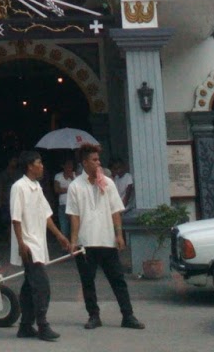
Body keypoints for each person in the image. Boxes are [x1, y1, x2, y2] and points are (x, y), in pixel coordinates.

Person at [68, 146, 144, 330]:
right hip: (86, 242)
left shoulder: (108, 183)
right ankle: (94, 316)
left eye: (98, 159)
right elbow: (74, 216)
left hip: (107, 240)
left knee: (118, 280)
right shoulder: (75, 186)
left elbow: (115, 211)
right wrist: (73, 241)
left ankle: (128, 315)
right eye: (94, 160)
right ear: (85, 163)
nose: (98, 163)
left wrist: (119, 234)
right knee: (88, 281)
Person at [10, 149, 72, 341]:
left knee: (30, 286)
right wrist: (21, 243)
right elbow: (16, 218)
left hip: (38, 242)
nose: (42, 166)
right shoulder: (19, 187)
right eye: (39, 163)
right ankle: (42, 324)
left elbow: (47, 216)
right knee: (41, 285)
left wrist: (60, 236)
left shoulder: (37, 187)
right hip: (28, 244)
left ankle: (25, 326)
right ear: (30, 166)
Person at [53, 156, 77, 237]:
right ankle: (66, 246)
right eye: (67, 165)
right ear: (63, 166)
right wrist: (70, 189)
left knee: (74, 226)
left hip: (74, 204)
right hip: (63, 205)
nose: (69, 167)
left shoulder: (75, 175)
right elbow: (56, 190)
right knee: (64, 228)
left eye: (71, 165)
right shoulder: (58, 176)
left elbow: (78, 189)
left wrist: (72, 178)